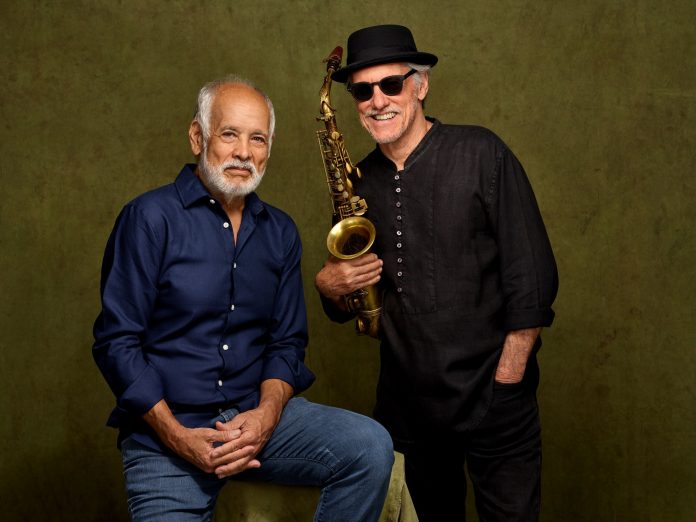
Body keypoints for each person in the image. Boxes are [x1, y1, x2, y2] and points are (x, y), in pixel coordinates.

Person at [93, 75, 394, 522]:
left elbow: (286, 344)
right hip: (166, 436)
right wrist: (177, 437)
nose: (243, 152)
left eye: (257, 138)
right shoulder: (148, 218)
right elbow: (117, 343)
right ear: (197, 137)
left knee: (370, 446)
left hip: (255, 420)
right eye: (229, 134)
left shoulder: (280, 232)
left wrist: (266, 417)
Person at [315, 25, 559, 521]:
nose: (377, 101)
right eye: (362, 91)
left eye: (391, 84)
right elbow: (351, 303)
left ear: (420, 84)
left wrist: (507, 380)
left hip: (494, 396)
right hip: (408, 409)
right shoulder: (359, 186)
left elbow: (531, 276)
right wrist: (330, 287)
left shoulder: (483, 152)